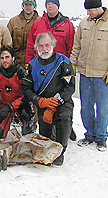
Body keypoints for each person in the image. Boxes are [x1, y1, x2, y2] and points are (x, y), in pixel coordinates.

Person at [70, 0, 108, 152]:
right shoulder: (84, 23)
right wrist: (73, 63)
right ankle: (89, 134)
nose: (88, 13)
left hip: (102, 75)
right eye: (87, 10)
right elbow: (77, 46)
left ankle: (101, 137)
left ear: (98, 7)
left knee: (102, 108)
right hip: (85, 74)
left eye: (90, 10)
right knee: (86, 106)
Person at [21, 32, 75, 166]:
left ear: (53, 45)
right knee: (45, 135)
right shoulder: (33, 65)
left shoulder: (63, 61)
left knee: (63, 118)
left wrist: (54, 105)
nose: (44, 49)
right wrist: (39, 101)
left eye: (47, 45)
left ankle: (60, 152)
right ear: (36, 48)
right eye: (41, 46)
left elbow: (70, 87)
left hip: (62, 102)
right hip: (43, 103)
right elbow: (25, 88)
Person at [0, 45, 34, 140]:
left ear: (13, 58)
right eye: (2, 58)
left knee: (27, 131)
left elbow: (27, 95)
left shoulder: (21, 72)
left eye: (7, 57)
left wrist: (11, 107)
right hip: (4, 104)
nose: (5, 60)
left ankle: (28, 126)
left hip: (20, 105)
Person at [25, 0, 75, 65]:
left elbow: (72, 47)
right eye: (48, 4)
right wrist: (28, 63)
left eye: (53, 4)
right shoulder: (37, 24)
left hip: (59, 65)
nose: (50, 6)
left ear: (58, 6)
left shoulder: (67, 25)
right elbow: (30, 45)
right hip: (40, 65)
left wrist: (71, 63)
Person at [7, 0, 40, 67]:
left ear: (34, 6)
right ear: (23, 6)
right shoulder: (13, 21)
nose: (28, 7)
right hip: (16, 63)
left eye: (30, 5)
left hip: (34, 63)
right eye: (26, 4)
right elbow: (7, 42)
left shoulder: (40, 22)